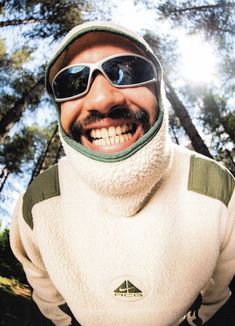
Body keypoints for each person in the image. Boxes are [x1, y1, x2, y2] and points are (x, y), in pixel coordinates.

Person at [10, 21, 235, 326]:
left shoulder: (220, 191)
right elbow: (49, 304)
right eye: (73, 82)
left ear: (158, 92)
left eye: (128, 71)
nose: (103, 100)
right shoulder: (34, 205)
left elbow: (222, 301)